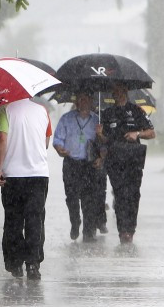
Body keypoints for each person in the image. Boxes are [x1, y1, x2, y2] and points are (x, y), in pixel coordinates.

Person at [0, 98, 52, 280]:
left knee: (14, 221)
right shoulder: (43, 110)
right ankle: (33, 264)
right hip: (38, 174)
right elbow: (46, 141)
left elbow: (2, 138)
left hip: (13, 175)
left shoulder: (5, 110)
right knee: (35, 220)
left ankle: (15, 263)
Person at [96, 82, 156, 244]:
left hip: (134, 160)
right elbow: (104, 140)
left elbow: (152, 133)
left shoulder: (137, 111)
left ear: (126, 92)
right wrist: (100, 134)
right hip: (115, 160)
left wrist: (137, 134)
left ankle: (131, 228)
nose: (119, 94)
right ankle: (123, 230)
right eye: (115, 92)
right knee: (121, 194)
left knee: (133, 194)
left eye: (122, 91)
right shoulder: (107, 113)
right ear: (112, 94)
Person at [53, 91, 104, 242]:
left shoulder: (97, 120)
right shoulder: (66, 119)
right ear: (76, 102)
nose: (84, 103)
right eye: (81, 99)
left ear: (91, 101)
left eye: (87, 99)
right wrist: (59, 148)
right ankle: (75, 222)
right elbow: (57, 139)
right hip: (71, 163)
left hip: (89, 165)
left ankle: (89, 231)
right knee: (72, 198)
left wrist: (101, 156)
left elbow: (104, 144)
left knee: (89, 199)